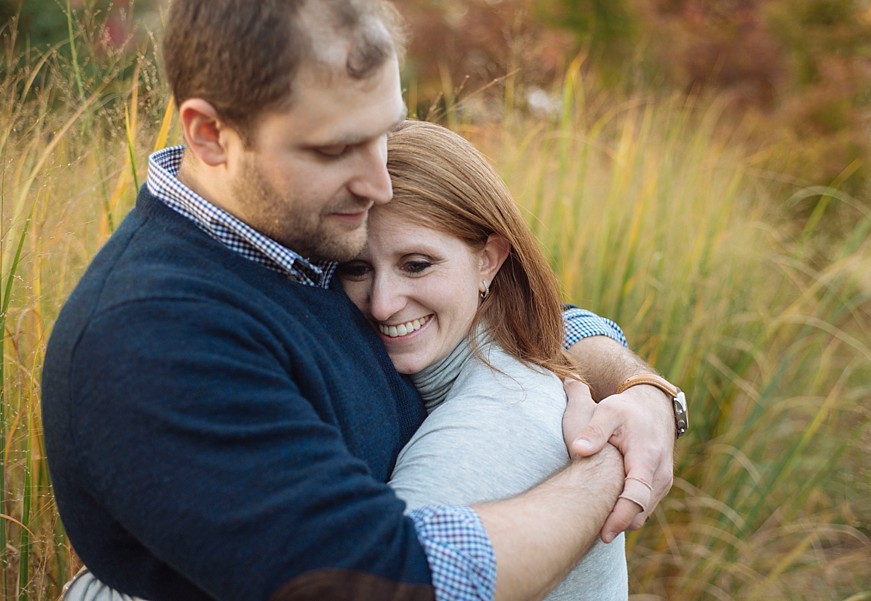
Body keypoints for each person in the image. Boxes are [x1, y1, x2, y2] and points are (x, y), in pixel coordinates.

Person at [42, 1, 685, 599]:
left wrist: (640, 390)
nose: (379, 182)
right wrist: (608, 467)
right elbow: (380, 580)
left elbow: (503, 316)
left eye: (383, 132)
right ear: (211, 134)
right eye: (334, 148)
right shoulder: (155, 337)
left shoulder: (297, 233)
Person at [338, 119, 629, 599]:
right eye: (357, 268)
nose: (383, 304)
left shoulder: (488, 431)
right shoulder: (507, 362)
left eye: (417, 265)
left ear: (488, 260)